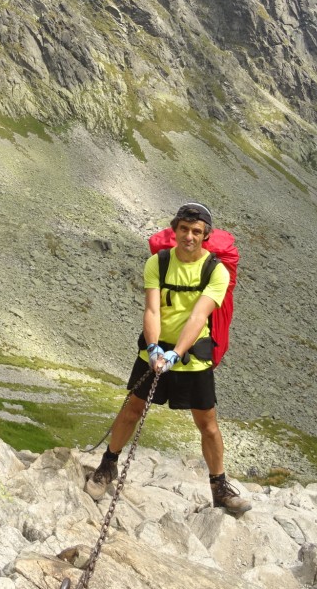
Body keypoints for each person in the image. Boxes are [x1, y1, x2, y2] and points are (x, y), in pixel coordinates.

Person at [86, 202, 251, 515]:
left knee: (208, 423)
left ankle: (220, 488)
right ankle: (107, 467)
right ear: (175, 230)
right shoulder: (158, 263)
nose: (189, 236)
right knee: (133, 407)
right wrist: (152, 349)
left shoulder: (216, 270)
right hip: (155, 345)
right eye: (185, 229)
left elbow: (199, 315)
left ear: (205, 235)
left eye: (196, 231)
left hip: (192, 352)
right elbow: (152, 310)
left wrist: (176, 352)